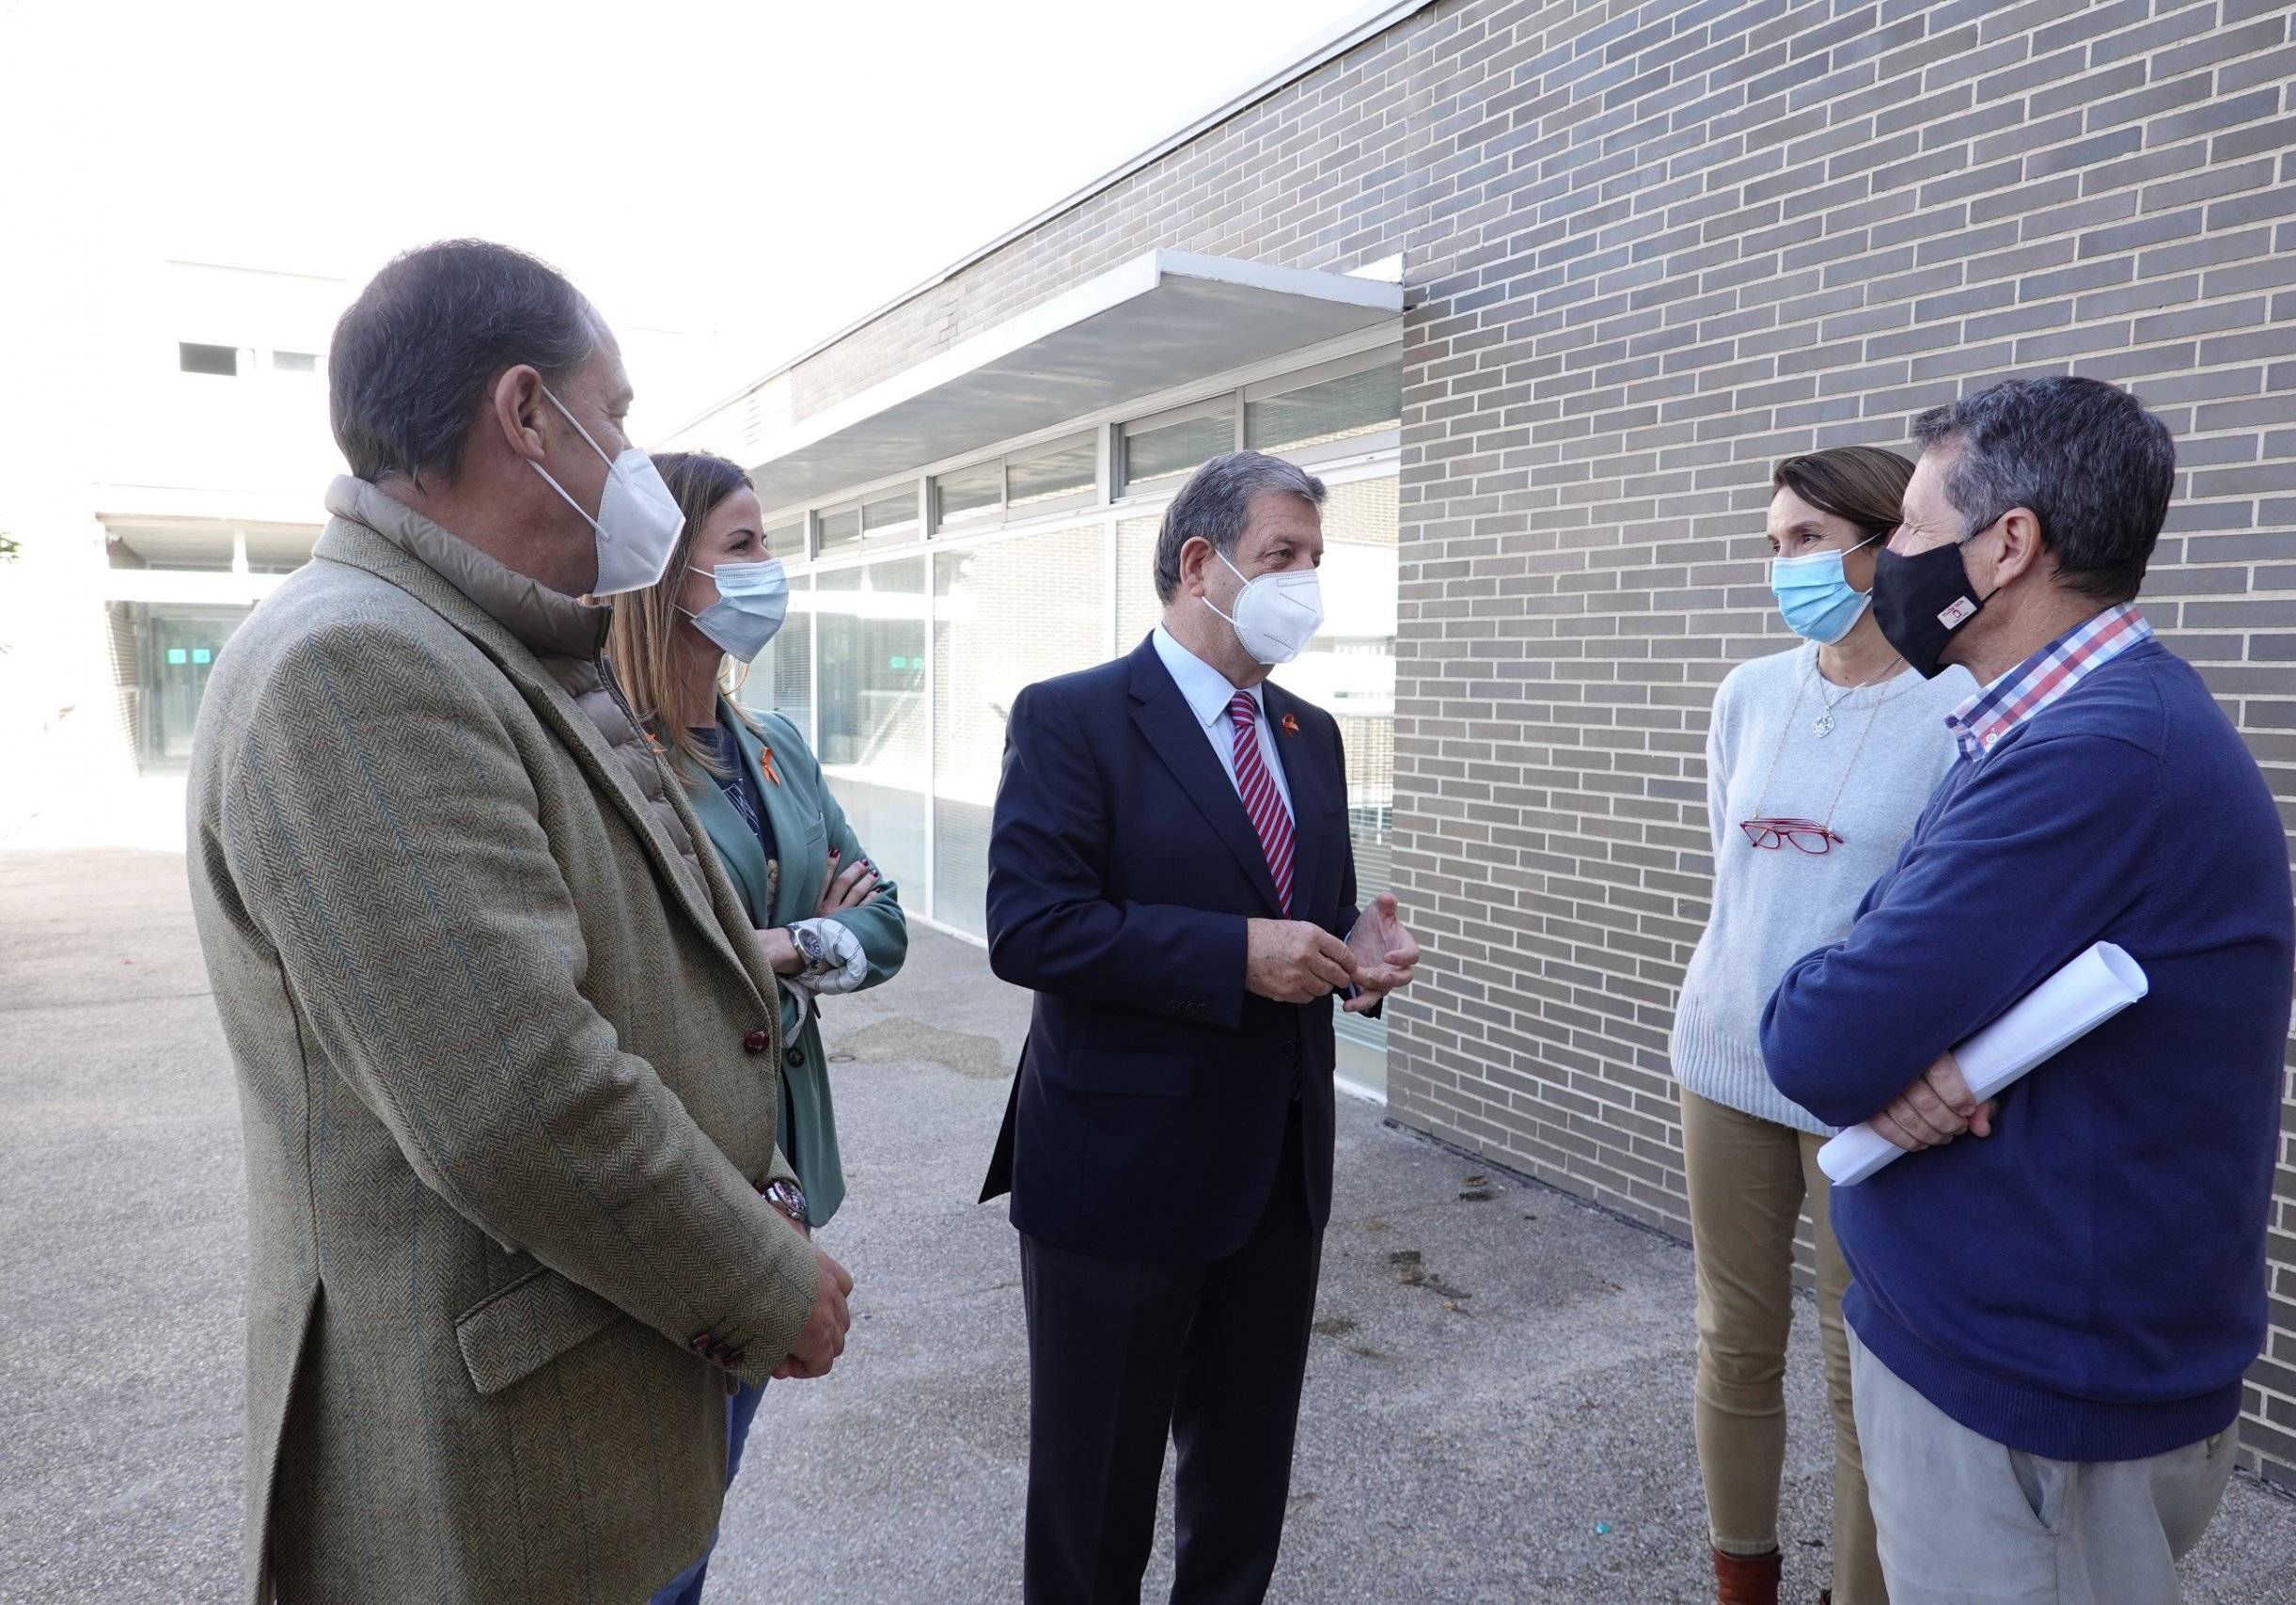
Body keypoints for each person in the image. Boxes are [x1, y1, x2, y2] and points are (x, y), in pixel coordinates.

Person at [184, 240, 854, 1605]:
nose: (628, 453)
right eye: (615, 413)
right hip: (505, 1468)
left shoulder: (490, 641)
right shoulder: (359, 664)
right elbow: (515, 1094)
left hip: (597, 1389)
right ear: (526, 414)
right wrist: (763, 1275)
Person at [1762, 376, 2294, 1605]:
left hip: (2039, 1402)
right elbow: (1885, 991)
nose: (1887, 559)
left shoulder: (2096, 752)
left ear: (2007, 544)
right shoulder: (2046, 726)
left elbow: (1823, 1034)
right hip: (2008, 1360)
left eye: (1907, 526)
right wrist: (1904, 1040)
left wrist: (1883, 1040)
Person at [980, 449, 1421, 1605]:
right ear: (1198, 564)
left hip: (1274, 1174)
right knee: (1094, 1499)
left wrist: (1355, 962)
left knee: (1241, 1489)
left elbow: (1308, 917)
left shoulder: (1310, 732)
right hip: (1118, 1178)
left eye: (1316, 560)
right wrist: (1236, 954)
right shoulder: (1073, 717)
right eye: (1283, 556)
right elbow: (1033, 929)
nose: (1305, 584)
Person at [605, 449, 910, 1604]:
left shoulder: (773, 739)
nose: (769, 571)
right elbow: (647, 965)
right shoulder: (611, 756)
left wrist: (785, 945)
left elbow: (879, 922)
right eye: (743, 546)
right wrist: (785, 941)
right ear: (663, 572)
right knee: (659, 1520)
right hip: (690, 1165)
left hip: (790, 1168)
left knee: (707, 1492)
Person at [1670, 447, 1971, 1605]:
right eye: (1775, 543)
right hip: (1723, 1057)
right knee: (1734, 1342)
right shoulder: (1747, 693)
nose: (1785, 565)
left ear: (1883, 542)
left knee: (1867, 1376)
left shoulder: (1957, 705)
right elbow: (1737, 878)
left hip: (1867, 1087)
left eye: (1806, 540)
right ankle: (1740, 1580)